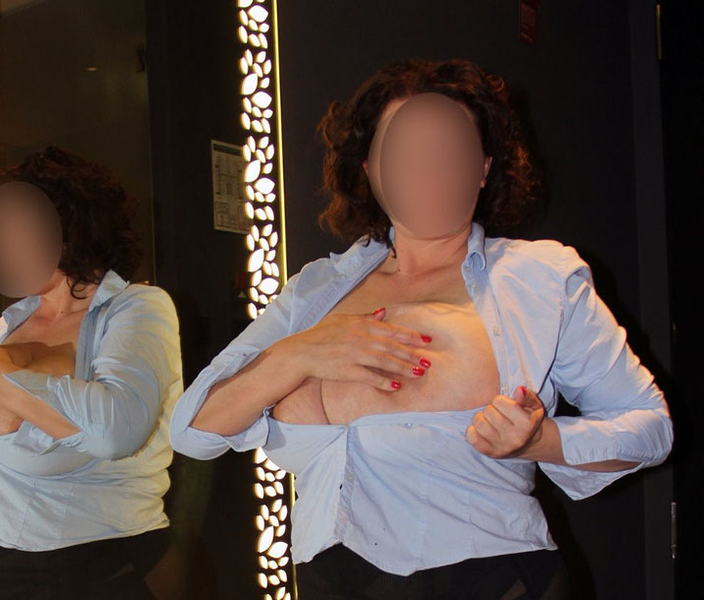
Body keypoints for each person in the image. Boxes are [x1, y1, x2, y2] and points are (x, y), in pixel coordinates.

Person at [169, 59, 673, 600]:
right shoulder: (314, 293)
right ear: (370, 169)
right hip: (338, 583)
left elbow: (650, 427)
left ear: (483, 167)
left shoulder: (539, 279)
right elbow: (194, 428)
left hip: (497, 579)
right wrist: (298, 355)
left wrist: (540, 440)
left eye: (448, 151)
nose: (428, 168)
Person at [0, 147, 184, 600]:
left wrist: (2, 384)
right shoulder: (10, 322)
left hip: (101, 568)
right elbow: (19, 434)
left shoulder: (136, 308)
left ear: (68, 229)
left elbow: (114, 429)